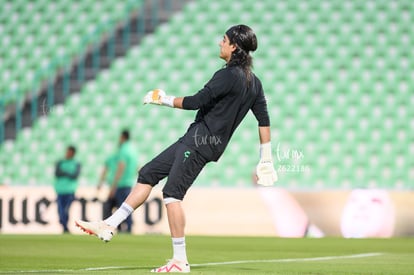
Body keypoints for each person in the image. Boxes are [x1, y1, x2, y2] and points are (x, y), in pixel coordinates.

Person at [76, 24, 277, 273]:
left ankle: (179, 261)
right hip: (200, 140)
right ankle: (109, 224)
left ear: (234, 46)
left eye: (223, 40)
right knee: (148, 173)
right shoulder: (254, 83)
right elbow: (264, 120)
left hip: (199, 141)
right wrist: (265, 158)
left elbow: (195, 102)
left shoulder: (227, 75)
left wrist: (163, 99)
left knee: (172, 193)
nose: (219, 43)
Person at [98, 130, 138, 233]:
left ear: (123, 137)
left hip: (121, 183)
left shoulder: (123, 150)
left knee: (121, 208)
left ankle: (123, 229)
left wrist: (114, 185)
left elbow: (121, 167)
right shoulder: (133, 150)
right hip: (129, 183)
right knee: (127, 207)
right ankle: (127, 228)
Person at [54, 145, 81, 233]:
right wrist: (69, 173)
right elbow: (57, 173)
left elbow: (75, 175)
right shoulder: (60, 162)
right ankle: (64, 225)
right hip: (60, 190)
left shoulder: (76, 163)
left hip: (70, 190)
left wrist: (64, 172)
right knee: (60, 209)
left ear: (73, 153)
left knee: (66, 209)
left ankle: (65, 226)